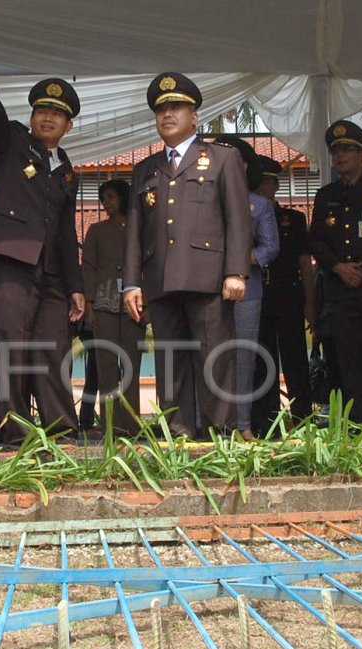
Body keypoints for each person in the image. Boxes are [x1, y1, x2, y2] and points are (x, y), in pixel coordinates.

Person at [0, 17, 85, 445]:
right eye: (42, 111)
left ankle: (62, 433)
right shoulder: (12, 142)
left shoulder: (67, 171)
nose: (48, 118)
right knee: (10, 351)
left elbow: (67, 234)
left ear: (69, 126)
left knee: (52, 352)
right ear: (32, 117)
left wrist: (76, 287)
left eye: (58, 114)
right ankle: (16, 436)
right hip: (10, 264)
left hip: (51, 276)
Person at [122, 73, 252, 437]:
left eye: (176, 107)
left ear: (194, 116)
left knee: (214, 358)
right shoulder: (145, 170)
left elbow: (237, 219)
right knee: (170, 362)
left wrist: (236, 271)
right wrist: (131, 282)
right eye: (161, 109)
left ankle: (220, 434)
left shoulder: (223, 159)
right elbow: (135, 232)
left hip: (208, 278)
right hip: (160, 280)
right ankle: (178, 435)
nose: (168, 114)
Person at [308, 120, 362, 421]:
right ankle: (358, 419)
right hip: (339, 288)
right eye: (336, 151)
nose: (341, 156)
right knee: (349, 356)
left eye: (348, 150)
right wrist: (337, 267)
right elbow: (315, 239)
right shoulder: (326, 195)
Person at [214, 136, 278, 440]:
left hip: (247, 291)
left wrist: (240, 259)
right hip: (207, 290)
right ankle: (210, 425)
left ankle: (242, 425)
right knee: (208, 356)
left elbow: (270, 248)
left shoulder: (260, 204)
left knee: (243, 359)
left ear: (246, 165)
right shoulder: (201, 199)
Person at [252, 156, 316, 432]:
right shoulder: (249, 216)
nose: (265, 188)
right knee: (262, 360)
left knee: (295, 359)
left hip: (288, 294)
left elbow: (305, 262)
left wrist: (310, 301)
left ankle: (303, 417)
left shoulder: (293, 218)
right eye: (260, 183)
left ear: (277, 186)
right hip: (259, 295)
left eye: (269, 182)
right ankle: (267, 421)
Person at [82, 179, 145, 435]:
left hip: (135, 304)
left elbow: (148, 267)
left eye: (110, 197)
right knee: (107, 365)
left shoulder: (139, 230)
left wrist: (148, 303)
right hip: (104, 303)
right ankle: (111, 425)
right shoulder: (95, 231)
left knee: (131, 365)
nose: (106, 203)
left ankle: (132, 424)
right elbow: (88, 267)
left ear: (123, 197)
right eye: (103, 198)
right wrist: (88, 304)